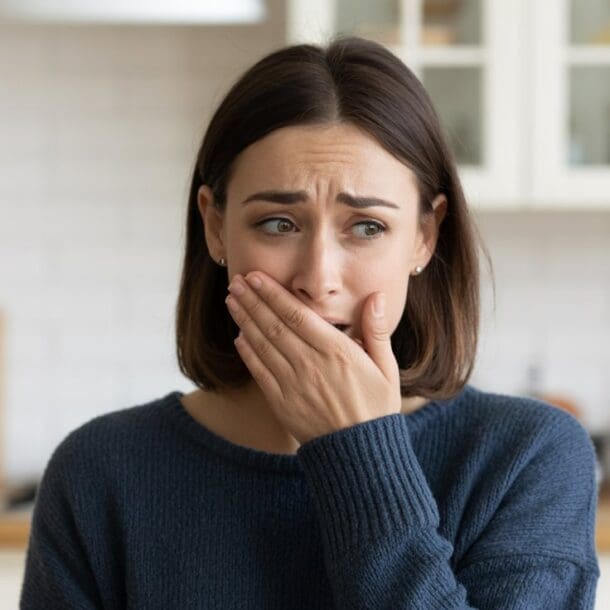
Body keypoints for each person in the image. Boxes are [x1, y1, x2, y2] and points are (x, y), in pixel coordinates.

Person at [20, 36, 600, 609]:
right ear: (215, 227)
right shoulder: (100, 471)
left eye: (366, 227)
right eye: (277, 223)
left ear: (425, 236)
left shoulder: (529, 459)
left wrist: (358, 454)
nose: (318, 278)